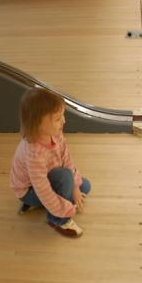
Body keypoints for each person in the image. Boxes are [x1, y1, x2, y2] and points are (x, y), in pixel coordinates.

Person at [10, 88, 91, 238]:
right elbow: (42, 188)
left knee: (85, 185)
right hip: (30, 190)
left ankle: (47, 204)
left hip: (49, 177)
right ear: (38, 122)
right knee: (65, 177)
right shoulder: (34, 152)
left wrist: (75, 188)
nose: (64, 121)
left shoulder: (55, 133)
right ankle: (57, 220)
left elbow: (67, 159)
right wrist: (64, 209)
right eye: (58, 118)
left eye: (63, 116)